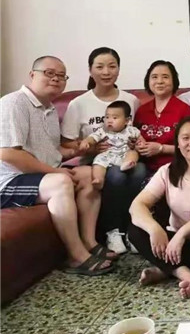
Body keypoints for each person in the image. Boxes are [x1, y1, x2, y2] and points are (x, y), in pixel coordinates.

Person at [0, 56, 114, 275]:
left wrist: (81, 150)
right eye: (49, 73)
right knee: (61, 182)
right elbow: (8, 153)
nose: (56, 79)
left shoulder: (50, 109)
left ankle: (89, 242)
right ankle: (76, 257)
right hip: (7, 181)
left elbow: (52, 151)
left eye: (61, 76)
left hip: (37, 176)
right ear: (32, 75)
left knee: (88, 174)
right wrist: (54, 171)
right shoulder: (14, 103)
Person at [128, 116, 190, 299]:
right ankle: (186, 274)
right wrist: (154, 229)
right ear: (178, 144)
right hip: (175, 242)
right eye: (185, 138)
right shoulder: (167, 171)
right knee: (135, 230)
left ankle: (166, 269)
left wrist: (182, 234)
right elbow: (137, 205)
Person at [61, 47, 144, 254]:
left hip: (124, 157)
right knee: (116, 175)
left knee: (140, 172)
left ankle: (132, 230)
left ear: (118, 69)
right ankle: (113, 231)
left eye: (112, 66)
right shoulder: (78, 104)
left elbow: (136, 134)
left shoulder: (131, 100)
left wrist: (135, 146)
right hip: (96, 161)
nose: (106, 72)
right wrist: (90, 148)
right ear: (90, 70)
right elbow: (66, 143)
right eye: (100, 67)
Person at [134, 60, 190, 174]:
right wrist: (136, 146)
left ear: (174, 81)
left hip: (174, 168)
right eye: (154, 77)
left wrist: (161, 148)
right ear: (148, 81)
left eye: (165, 77)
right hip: (142, 168)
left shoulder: (184, 110)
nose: (160, 81)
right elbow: (131, 137)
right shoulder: (142, 110)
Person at [79, 101, 141, 188]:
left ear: (126, 121)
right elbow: (93, 137)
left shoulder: (131, 130)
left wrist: (141, 143)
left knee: (133, 153)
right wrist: (86, 142)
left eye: (115, 118)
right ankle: (98, 179)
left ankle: (128, 164)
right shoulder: (103, 131)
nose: (110, 121)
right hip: (107, 155)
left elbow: (140, 139)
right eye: (107, 117)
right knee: (98, 163)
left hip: (124, 154)